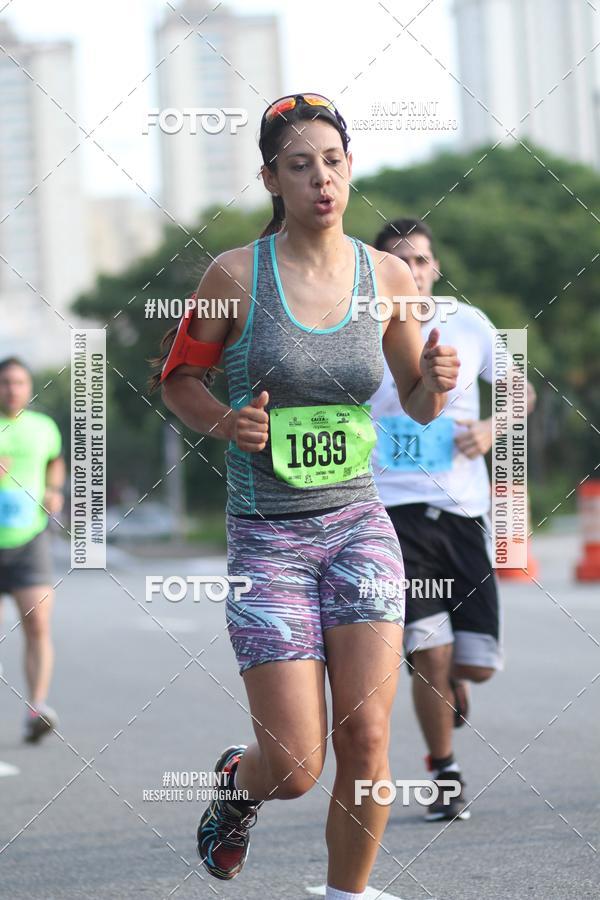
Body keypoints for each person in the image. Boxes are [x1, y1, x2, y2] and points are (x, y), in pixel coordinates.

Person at [153, 94, 459, 899]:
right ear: (270, 180)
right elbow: (177, 379)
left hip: (361, 524)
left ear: (350, 168)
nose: (321, 178)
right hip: (268, 539)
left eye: (332, 160)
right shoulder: (233, 276)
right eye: (299, 165)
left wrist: (433, 381)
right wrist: (227, 423)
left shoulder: (386, 275)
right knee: (293, 763)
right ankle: (239, 783)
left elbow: (415, 400)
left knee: (366, 739)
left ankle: (344, 894)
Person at [370, 218, 536, 821]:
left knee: (474, 664)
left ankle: (447, 685)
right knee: (430, 646)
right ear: (379, 272)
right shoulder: (360, 328)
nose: (412, 271)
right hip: (392, 511)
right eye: (398, 261)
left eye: (421, 260)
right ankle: (445, 770)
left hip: (464, 512)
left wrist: (493, 428)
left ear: (435, 267)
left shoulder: (470, 322)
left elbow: (523, 392)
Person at [0, 357, 65, 743]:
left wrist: (54, 489)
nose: (12, 389)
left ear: (28, 387)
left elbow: (54, 461)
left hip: (30, 539)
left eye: (19, 382)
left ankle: (36, 708)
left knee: (37, 623)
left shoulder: (43, 427)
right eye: (5, 382)